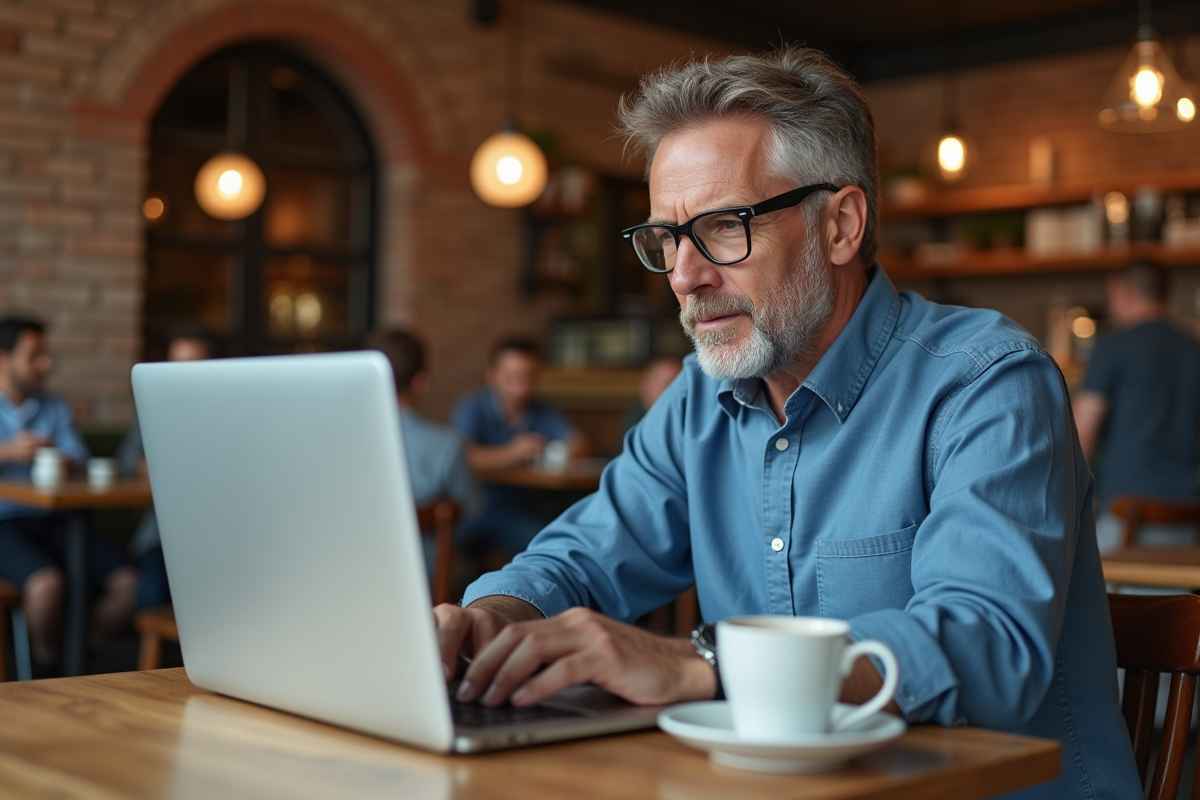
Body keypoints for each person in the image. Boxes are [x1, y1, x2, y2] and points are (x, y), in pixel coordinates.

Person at [432, 47, 1139, 800]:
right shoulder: (697, 401)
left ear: (839, 225)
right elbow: (582, 557)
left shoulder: (986, 381)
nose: (684, 276)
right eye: (667, 239)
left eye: (722, 228)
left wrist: (699, 667)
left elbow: (987, 643)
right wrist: (490, 620)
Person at [0, 316, 137, 675]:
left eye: (45, 354)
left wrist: (56, 457)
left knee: (129, 584)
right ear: (3, 359)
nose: (46, 364)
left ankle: (79, 653)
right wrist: (9, 452)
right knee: (47, 585)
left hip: (58, 517)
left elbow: (78, 459)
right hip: (5, 521)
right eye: (34, 355)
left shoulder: (55, 406)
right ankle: (46, 665)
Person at [1074, 261, 1200, 552]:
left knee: (1081, 583)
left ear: (1126, 293)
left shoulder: (1111, 347)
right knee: (1177, 598)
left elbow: (1081, 437)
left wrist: (1068, 503)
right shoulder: (1194, 349)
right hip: (1189, 517)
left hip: (1127, 516)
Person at [116, 324, 220, 609]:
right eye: (173, 366)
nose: (177, 376)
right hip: (162, 536)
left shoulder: (230, 414)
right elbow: (127, 460)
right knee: (150, 594)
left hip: (223, 537)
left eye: (189, 367)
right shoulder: (155, 410)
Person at [452, 338, 588, 553]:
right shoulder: (472, 407)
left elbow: (579, 444)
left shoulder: (543, 409)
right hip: (472, 511)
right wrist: (515, 452)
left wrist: (553, 451)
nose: (522, 387)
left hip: (517, 513)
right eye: (513, 378)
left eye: (530, 378)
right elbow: (465, 456)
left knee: (550, 547)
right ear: (493, 376)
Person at [364, 329, 479, 573]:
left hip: (353, 575)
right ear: (420, 383)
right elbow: (472, 515)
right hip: (427, 585)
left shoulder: (339, 441)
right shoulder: (448, 444)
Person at [623, 356, 683, 432]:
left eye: (679, 385)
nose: (676, 392)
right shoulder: (635, 426)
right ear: (647, 385)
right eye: (668, 384)